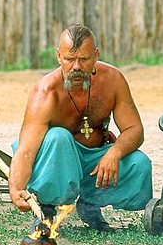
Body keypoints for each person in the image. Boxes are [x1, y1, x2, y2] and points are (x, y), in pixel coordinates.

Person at [8, 23, 153, 232]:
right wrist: (16, 188)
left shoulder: (113, 80)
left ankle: (91, 203)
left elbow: (134, 130)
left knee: (139, 163)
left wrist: (114, 153)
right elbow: (27, 150)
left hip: (94, 159)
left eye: (83, 59)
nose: (76, 66)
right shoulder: (45, 92)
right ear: (59, 56)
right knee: (58, 137)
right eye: (69, 59)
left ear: (95, 56)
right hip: (55, 161)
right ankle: (47, 209)